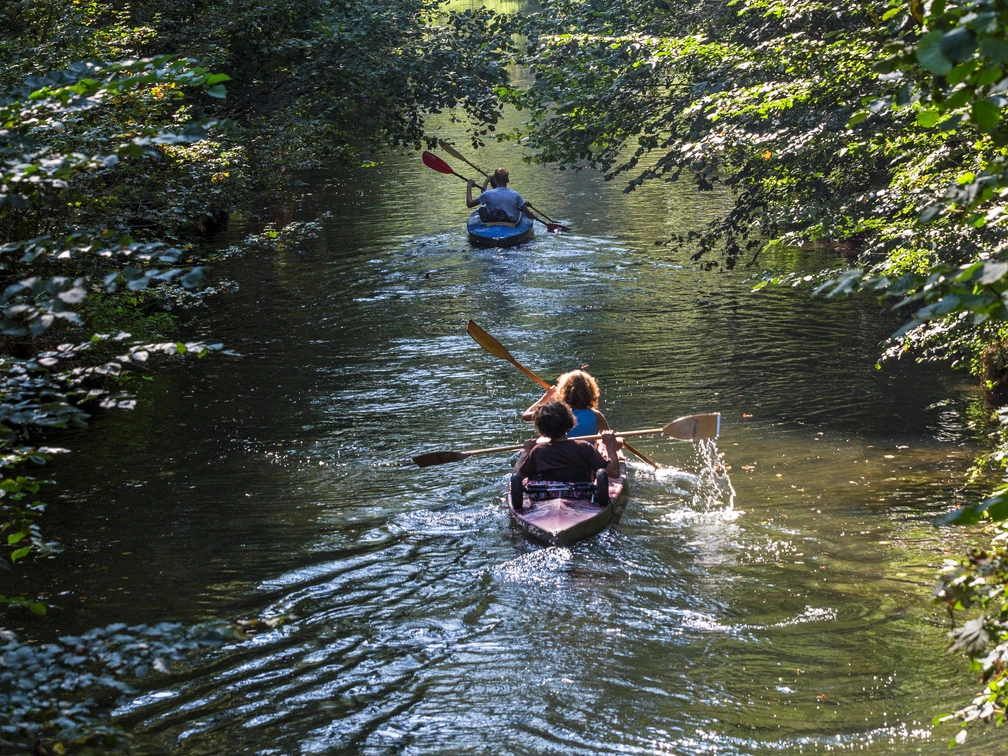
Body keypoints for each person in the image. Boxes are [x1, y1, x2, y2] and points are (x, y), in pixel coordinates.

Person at [511, 401, 620, 511]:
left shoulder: (538, 451)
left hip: (545, 498)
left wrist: (525, 451)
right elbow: (614, 472)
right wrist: (610, 445)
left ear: (541, 427)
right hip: (581, 495)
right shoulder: (585, 447)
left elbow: (516, 476)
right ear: (569, 421)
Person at [522, 369, 609, 438]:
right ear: (591, 393)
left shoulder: (554, 414)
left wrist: (545, 397)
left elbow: (525, 416)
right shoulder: (597, 415)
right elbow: (615, 446)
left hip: (561, 457)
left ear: (563, 391)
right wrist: (619, 440)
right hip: (586, 458)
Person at [466, 168, 537, 224]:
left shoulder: (487, 194)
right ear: (508, 180)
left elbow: (469, 204)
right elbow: (528, 215)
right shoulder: (516, 195)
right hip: (511, 223)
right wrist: (534, 216)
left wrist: (469, 185)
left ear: (495, 180)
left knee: (482, 210)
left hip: (492, 222)